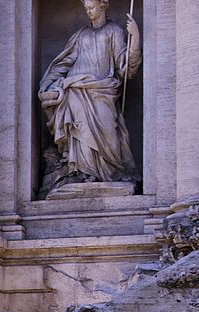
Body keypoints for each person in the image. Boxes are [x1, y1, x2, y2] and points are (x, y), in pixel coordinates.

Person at [38, 0, 141, 194]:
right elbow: (63, 63)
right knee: (80, 130)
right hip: (76, 90)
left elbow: (126, 67)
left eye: (92, 7)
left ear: (103, 6)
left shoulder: (114, 32)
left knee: (109, 131)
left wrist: (135, 37)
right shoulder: (80, 36)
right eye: (86, 9)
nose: (89, 12)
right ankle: (84, 172)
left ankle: (110, 172)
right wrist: (48, 83)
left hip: (103, 91)